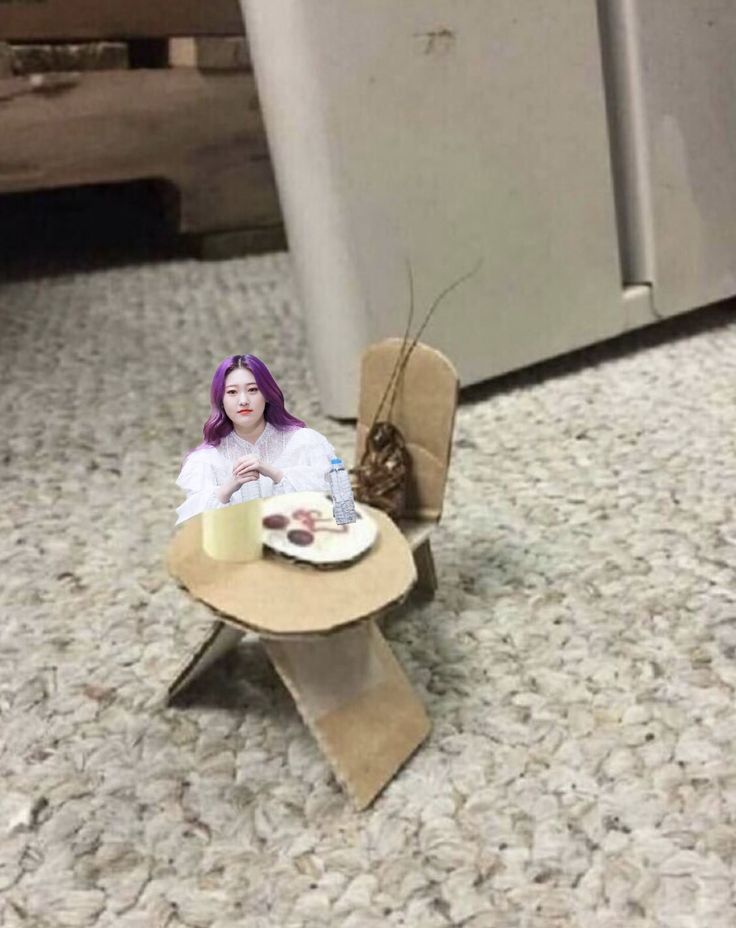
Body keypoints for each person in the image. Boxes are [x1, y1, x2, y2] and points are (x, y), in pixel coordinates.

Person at [175, 354, 336, 526]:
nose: (243, 401)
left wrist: (276, 474)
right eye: (232, 392)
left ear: (266, 394)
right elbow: (196, 529)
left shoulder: (306, 442)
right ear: (220, 400)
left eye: (253, 390)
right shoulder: (205, 461)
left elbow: (334, 504)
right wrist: (227, 489)